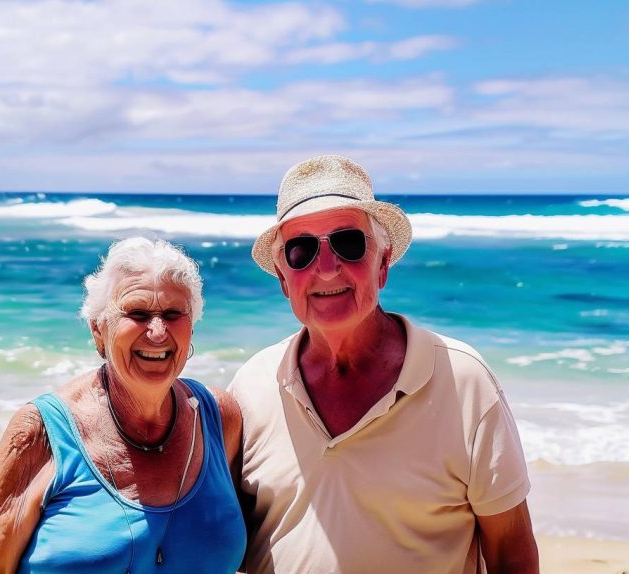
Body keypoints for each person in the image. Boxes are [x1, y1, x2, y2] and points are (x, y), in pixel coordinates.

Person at [228, 155, 538, 573]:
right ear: (284, 279)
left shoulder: (464, 380)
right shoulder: (251, 387)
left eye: (348, 243)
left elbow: (511, 554)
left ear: (383, 264)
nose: (326, 268)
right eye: (301, 250)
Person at [0, 237, 246, 574]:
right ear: (98, 331)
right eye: (138, 314)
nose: (158, 332)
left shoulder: (218, 417)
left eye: (174, 314)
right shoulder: (38, 433)